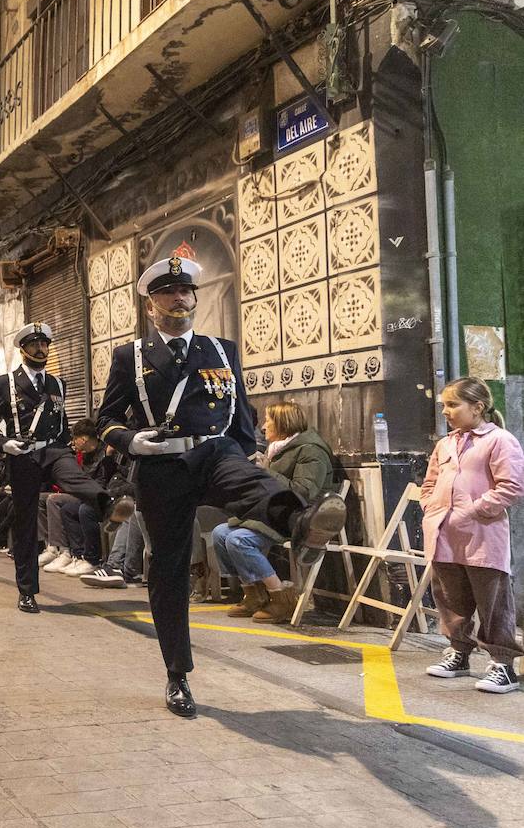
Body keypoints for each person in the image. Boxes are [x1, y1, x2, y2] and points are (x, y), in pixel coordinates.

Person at [97, 255, 344, 718]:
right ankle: (177, 674)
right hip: (161, 467)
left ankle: (302, 523)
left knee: (250, 476)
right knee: (167, 570)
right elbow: (106, 419)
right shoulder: (129, 356)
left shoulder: (221, 349)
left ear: (194, 298)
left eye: (186, 291)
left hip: (212, 453)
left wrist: (244, 447)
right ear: (151, 305)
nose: (179, 298)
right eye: (168, 293)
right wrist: (132, 441)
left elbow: (241, 409)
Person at [0, 323, 129, 614]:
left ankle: (107, 504)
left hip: (53, 449)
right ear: (23, 350)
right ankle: (27, 592)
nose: (41, 349)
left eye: (45, 344)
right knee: (25, 525)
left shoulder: (58, 384)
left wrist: (64, 448)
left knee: (74, 475)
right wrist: (6, 443)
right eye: (35, 345)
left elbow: (61, 423)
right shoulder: (5, 383)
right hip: (23, 455)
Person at [421, 377, 524, 693]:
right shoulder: (446, 443)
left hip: (482, 535)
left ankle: (503, 665)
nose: (446, 412)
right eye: (444, 405)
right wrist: (431, 507)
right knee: (451, 598)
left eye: (453, 405)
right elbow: (429, 483)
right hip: (444, 535)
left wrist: (474, 511)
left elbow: (511, 486)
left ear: (478, 407)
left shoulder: (499, 441)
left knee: (492, 603)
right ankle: (459, 653)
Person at [212, 400, 335, 624]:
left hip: (298, 517)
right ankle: (254, 593)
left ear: (283, 423)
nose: (263, 426)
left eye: (269, 421)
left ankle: (281, 597)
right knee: (220, 533)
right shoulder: (278, 449)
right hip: (274, 513)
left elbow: (304, 492)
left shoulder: (311, 450)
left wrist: (265, 472)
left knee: (239, 540)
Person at [42, 418, 128, 576]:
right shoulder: (85, 455)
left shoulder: (108, 451)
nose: (73, 443)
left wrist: (108, 457)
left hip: (103, 496)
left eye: (75, 439)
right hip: (86, 495)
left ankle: (92, 559)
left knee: (84, 510)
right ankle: (75, 554)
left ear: (83, 438)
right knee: (65, 508)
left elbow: (106, 480)